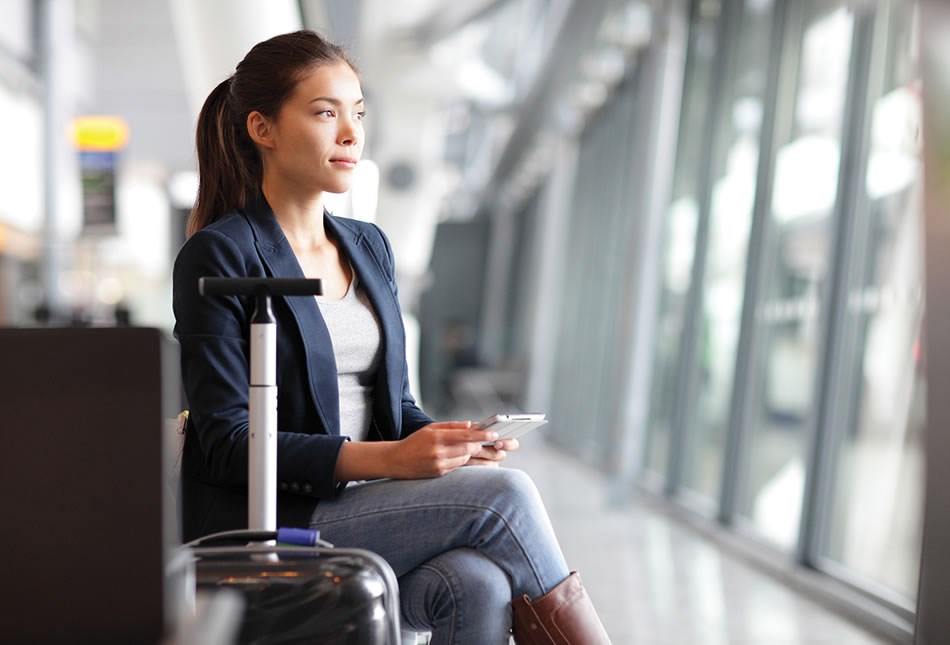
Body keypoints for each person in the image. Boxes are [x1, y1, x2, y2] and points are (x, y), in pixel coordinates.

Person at [172, 29, 610, 645]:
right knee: (503, 498)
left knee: (475, 580)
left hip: (366, 502)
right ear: (261, 129)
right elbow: (227, 444)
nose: (351, 133)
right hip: (276, 519)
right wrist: (389, 460)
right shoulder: (219, 255)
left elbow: (395, 406)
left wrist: (444, 441)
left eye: (358, 113)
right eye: (325, 113)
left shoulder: (367, 245)